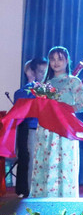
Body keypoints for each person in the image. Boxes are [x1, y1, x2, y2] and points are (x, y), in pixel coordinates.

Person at [29, 47, 83, 197]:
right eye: (52, 59)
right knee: (45, 161)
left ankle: (64, 198)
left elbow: (81, 106)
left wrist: (62, 108)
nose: (56, 63)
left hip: (65, 127)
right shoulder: (44, 83)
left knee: (64, 164)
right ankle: (43, 198)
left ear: (67, 61)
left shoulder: (74, 82)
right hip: (46, 128)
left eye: (60, 59)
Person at [12, 57, 47, 198]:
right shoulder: (24, 91)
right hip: (31, 129)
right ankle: (29, 192)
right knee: (31, 160)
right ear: (32, 72)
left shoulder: (48, 89)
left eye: (46, 71)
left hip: (47, 129)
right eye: (40, 71)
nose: (43, 74)